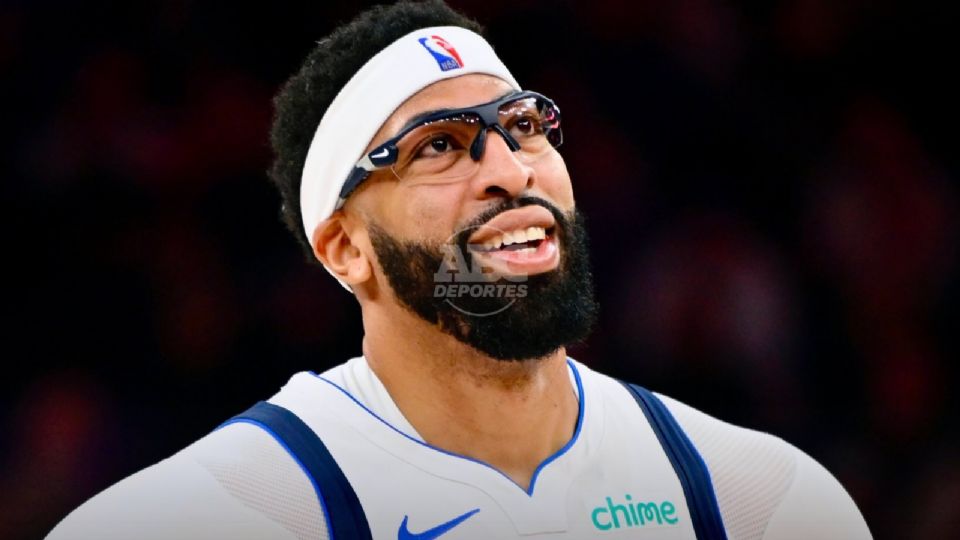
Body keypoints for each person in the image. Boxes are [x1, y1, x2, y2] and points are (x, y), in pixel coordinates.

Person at [47, 1, 872, 538]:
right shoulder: (202, 516)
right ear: (345, 249)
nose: (510, 170)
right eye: (439, 146)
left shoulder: (762, 502)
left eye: (524, 126)